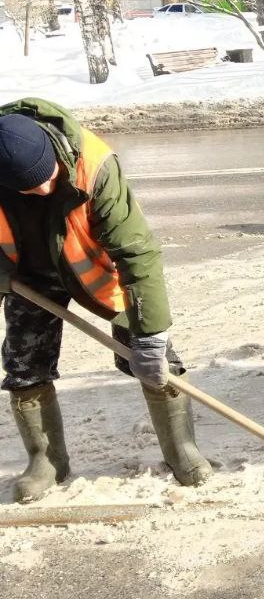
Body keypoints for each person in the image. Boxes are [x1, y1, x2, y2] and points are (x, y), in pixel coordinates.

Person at [0, 100, 211, 503]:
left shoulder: (95, 166)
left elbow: (137, 253)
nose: (42, 190)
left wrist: (150, 336)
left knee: (155, 358)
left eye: (47, 178)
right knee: (24, 367)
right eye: (27, 188)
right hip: (27, 277)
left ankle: (182, 450)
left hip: (98, 270)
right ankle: (46, 462)